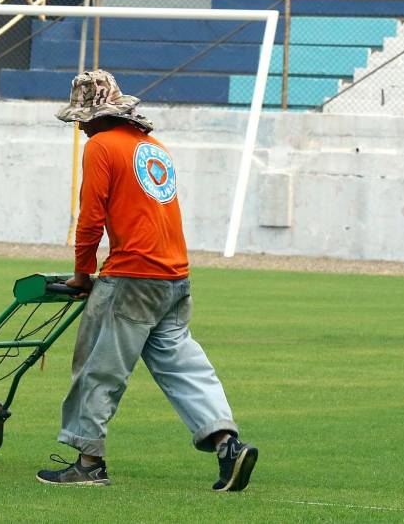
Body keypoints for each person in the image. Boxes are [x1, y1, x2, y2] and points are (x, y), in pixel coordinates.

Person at [35, 70, 258, 491]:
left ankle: (87, 463)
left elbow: (90, 220)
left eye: (83, 119)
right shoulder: (153, 148)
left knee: (98, 368)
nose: (80, 128)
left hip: (131, 277)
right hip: (174, 277)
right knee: (184, 366)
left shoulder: (102, 146)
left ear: (97, 116)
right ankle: (228, 443)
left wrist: (83, 274)